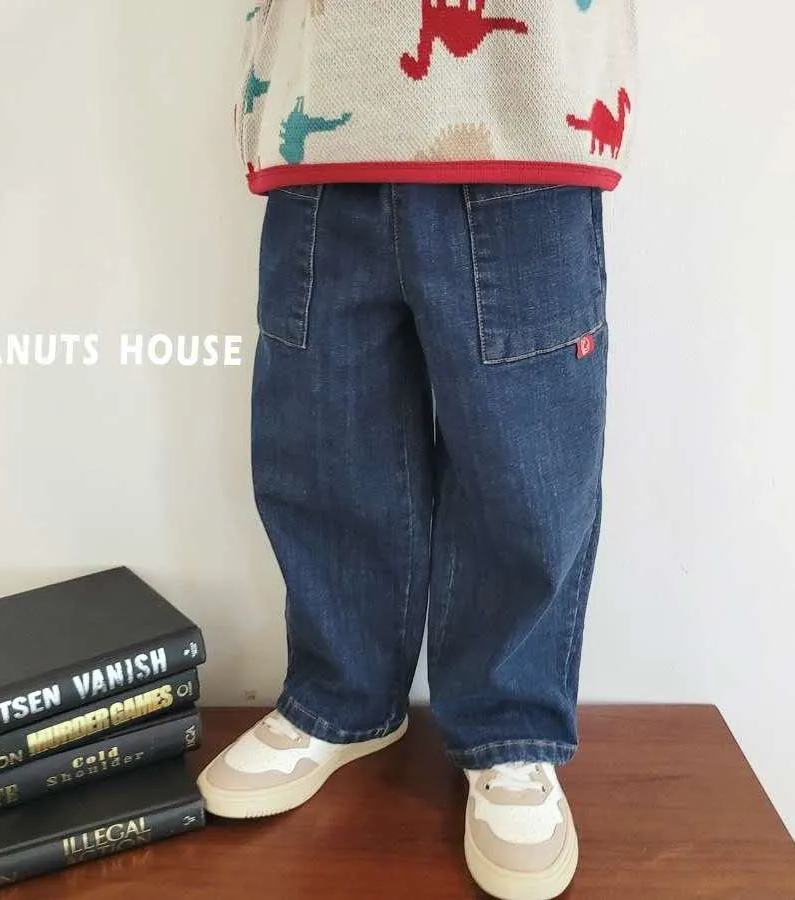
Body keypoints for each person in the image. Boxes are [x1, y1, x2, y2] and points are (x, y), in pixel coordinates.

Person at [198, 2, 637, 898]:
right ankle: (341, 695)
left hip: (524, 123)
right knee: (323, 444)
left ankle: (510, 726)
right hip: (322, 122)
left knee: (525, 466)